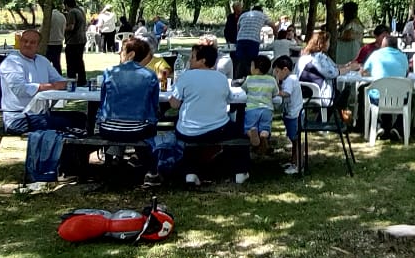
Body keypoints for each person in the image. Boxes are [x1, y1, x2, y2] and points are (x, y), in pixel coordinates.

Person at [0, 29, 81, 192]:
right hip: (19, 117)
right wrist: (50, 87)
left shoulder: (42, 61)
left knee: (80, 118)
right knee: (65, 123)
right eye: (25, 41)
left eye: (32, 42)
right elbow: (20, 89)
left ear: (39, 45)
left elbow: (59, 80)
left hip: (40, 113)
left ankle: (73, 166)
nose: (28, 45)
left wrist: (62, 84)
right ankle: (51, 169)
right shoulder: (11, 63)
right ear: (20, 42)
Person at [156, 42, 245, 187]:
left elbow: (174, 104)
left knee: (189, 131)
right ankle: (240, 170)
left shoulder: (186, 77)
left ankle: (190, 173)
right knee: (239, 132)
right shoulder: (221, 78)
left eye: (192, 57)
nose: (189, 60)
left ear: (202, 60)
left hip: (188, 130)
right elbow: (228, 98)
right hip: (217, 129)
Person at [96, 34, 164, 174]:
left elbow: (103, 101)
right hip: (137, 129)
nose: (120, 54)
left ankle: (112, 160)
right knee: (150, 127)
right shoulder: (150, 75)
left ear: (131, 54)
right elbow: (154, 105)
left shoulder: (109, 72)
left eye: (122, 51)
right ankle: (149, 168)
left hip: (108, 128)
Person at [361, 29, 411, 140]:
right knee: (411, 97)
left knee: (365, 92)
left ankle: (378, 125)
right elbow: (407, 73)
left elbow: (363, 71)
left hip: (379, 97)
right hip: (399, 98)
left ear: (383, 45)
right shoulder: (403, 56)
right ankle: (398, 127)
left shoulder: (375, 54)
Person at [273, 56, 305, 175]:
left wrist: (275, 90)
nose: (276, 74)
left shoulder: (290, 79)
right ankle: (293, 161)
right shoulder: (289, 79)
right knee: (293, 139)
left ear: (285, 69)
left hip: (294, 114)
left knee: (296, 139)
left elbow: (286, 93)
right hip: (291, 113)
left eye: (277, 71)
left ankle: (298, 164)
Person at [242, 54, 279, 158]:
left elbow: (243, 89)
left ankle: (252, 134)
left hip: (252, 109)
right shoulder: (271, 80)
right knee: (265, 127)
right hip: (267, 109)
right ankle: (263, 135)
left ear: (256, 68)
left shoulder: (249, 79)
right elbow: (276, 92)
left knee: (248, 127)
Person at [234, 2, 268, 73]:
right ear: (261, 11)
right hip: (253, 40)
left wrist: (238, 38)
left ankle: (238, 77)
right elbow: (273, 25)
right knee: (252, 61)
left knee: (239, 60)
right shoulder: (262, 15)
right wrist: (277, 36)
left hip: (241, 40)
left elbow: (238, 28)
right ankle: (249, 76)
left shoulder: (244, 15)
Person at [61, 0, 87, 83]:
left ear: (67, 5)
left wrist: (62, 28)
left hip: (73, 41)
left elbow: (71, 27)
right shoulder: (81, 11)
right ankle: (82, 80)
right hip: (82, 39)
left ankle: (71, 80)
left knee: (71, 62)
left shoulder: (72, 12)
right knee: (79, 61)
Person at [44, 2, 66, 74]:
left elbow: (44, 29)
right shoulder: (62, 16)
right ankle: (58, 78)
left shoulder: (49, 17)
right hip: (59, 42)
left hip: (50, 42)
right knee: (56, 63)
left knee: (46, 63)